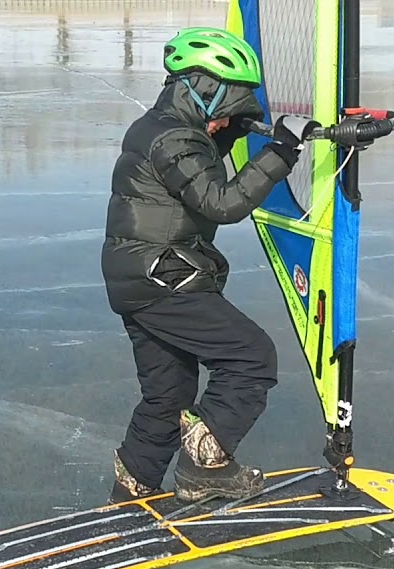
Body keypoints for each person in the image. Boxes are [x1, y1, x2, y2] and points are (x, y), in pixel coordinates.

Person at [100, 27, 321, 503]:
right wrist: (281, 152)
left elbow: (191, 175)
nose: (226, 123)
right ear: (200, 93)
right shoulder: (174, 138)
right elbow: (219, 202)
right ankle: (206, 467)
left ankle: (131, 490)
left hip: (137, 278)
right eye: (227, 111)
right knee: (251, 358)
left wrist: (234, 131)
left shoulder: (162, 130)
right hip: (164, 278)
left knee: (168, 398)